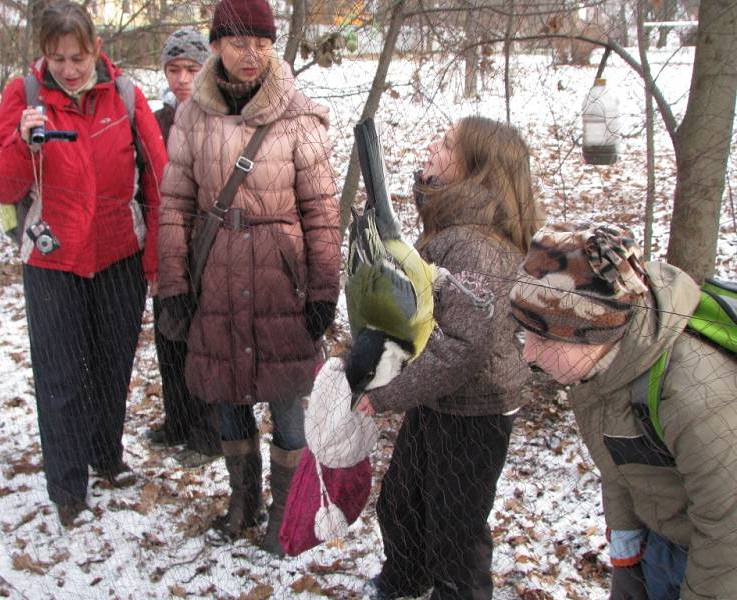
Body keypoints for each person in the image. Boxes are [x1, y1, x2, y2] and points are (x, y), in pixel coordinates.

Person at [157, 0, 340, 555]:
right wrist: (174, 285)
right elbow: (174, 207)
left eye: (261, 42)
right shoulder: (193, 116)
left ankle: (287, 512)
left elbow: (322, 212)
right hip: (214, 276)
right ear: (215, 45)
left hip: (279, 285)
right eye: (237, 42)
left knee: (286, 402)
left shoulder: (298, 114)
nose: (251, 54)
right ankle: (243, 503)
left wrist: (324, 291)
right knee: (227, 394)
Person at [0, 0, 167, 528]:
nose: (69, 68)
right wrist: (21, 141)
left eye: (78, 56)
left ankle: (105, 456)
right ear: (45, 55)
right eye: (58, 57)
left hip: (117, 256)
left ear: (96, 50)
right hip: (52, 257)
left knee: (112, 366)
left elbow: (158, 178)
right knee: (60, 376)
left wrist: (153, 255)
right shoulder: (25, 96)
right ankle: (67, 487)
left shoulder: (125, 94)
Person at [354, 116, 543, 599]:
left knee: (456, 532)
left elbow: (462, 344)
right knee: (402, 503)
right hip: (441, 399)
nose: (431, 147)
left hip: (474, 410)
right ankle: (405, 580)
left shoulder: (476, 245)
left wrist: (387, 392)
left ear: (475, 168)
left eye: (446, 144)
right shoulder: (456, 227)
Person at [508, 223, 737, 600]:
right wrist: (626, 560)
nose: (527, 353)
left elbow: (727, 536)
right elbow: (620, 461)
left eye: (540, 337)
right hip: (661, 538)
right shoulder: (598, 370)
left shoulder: (696, 397)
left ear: (594, 334)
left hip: (713, 559)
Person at [146, 27, 223, 468]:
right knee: (168, 336)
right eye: (173, 69)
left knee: (203, 342)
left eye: (190, 69)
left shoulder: (219, 118)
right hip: (166, 247)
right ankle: (176, 420)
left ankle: (207, 433)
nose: (180, 78)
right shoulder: (156, 119)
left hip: (208, 248)